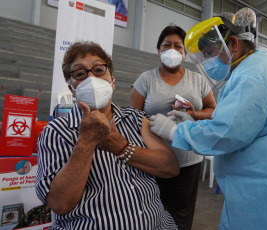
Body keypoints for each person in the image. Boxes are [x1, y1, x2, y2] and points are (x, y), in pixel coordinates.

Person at [150, 8, 267, 230]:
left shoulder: (254, 72)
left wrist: (175, 132)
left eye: (211, 52)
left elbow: (229, 132)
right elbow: (236, 121)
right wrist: (195, 124)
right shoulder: (253, 69)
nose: (208, 61)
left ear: (233, 44)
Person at [35, 41, 179, 229]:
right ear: (72, 90)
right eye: (80, 74)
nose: (91, 78)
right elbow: (59, 203)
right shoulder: (56, 132)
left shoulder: (135, 118)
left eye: (99, 70)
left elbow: (170, 167)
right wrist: (86, 141)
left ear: (113, 81)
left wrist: (122, 148)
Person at [130, 25, 216, 230]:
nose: (172, 50)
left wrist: (193, 114)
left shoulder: (197, 80)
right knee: (151, 212)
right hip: (153, 160)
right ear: (158, 51)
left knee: (181, 217)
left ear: (185, 54)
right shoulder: (146, 79)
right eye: (166, 45)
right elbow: (132, 117)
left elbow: (212, 109)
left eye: (178, 46)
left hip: (189, 158)